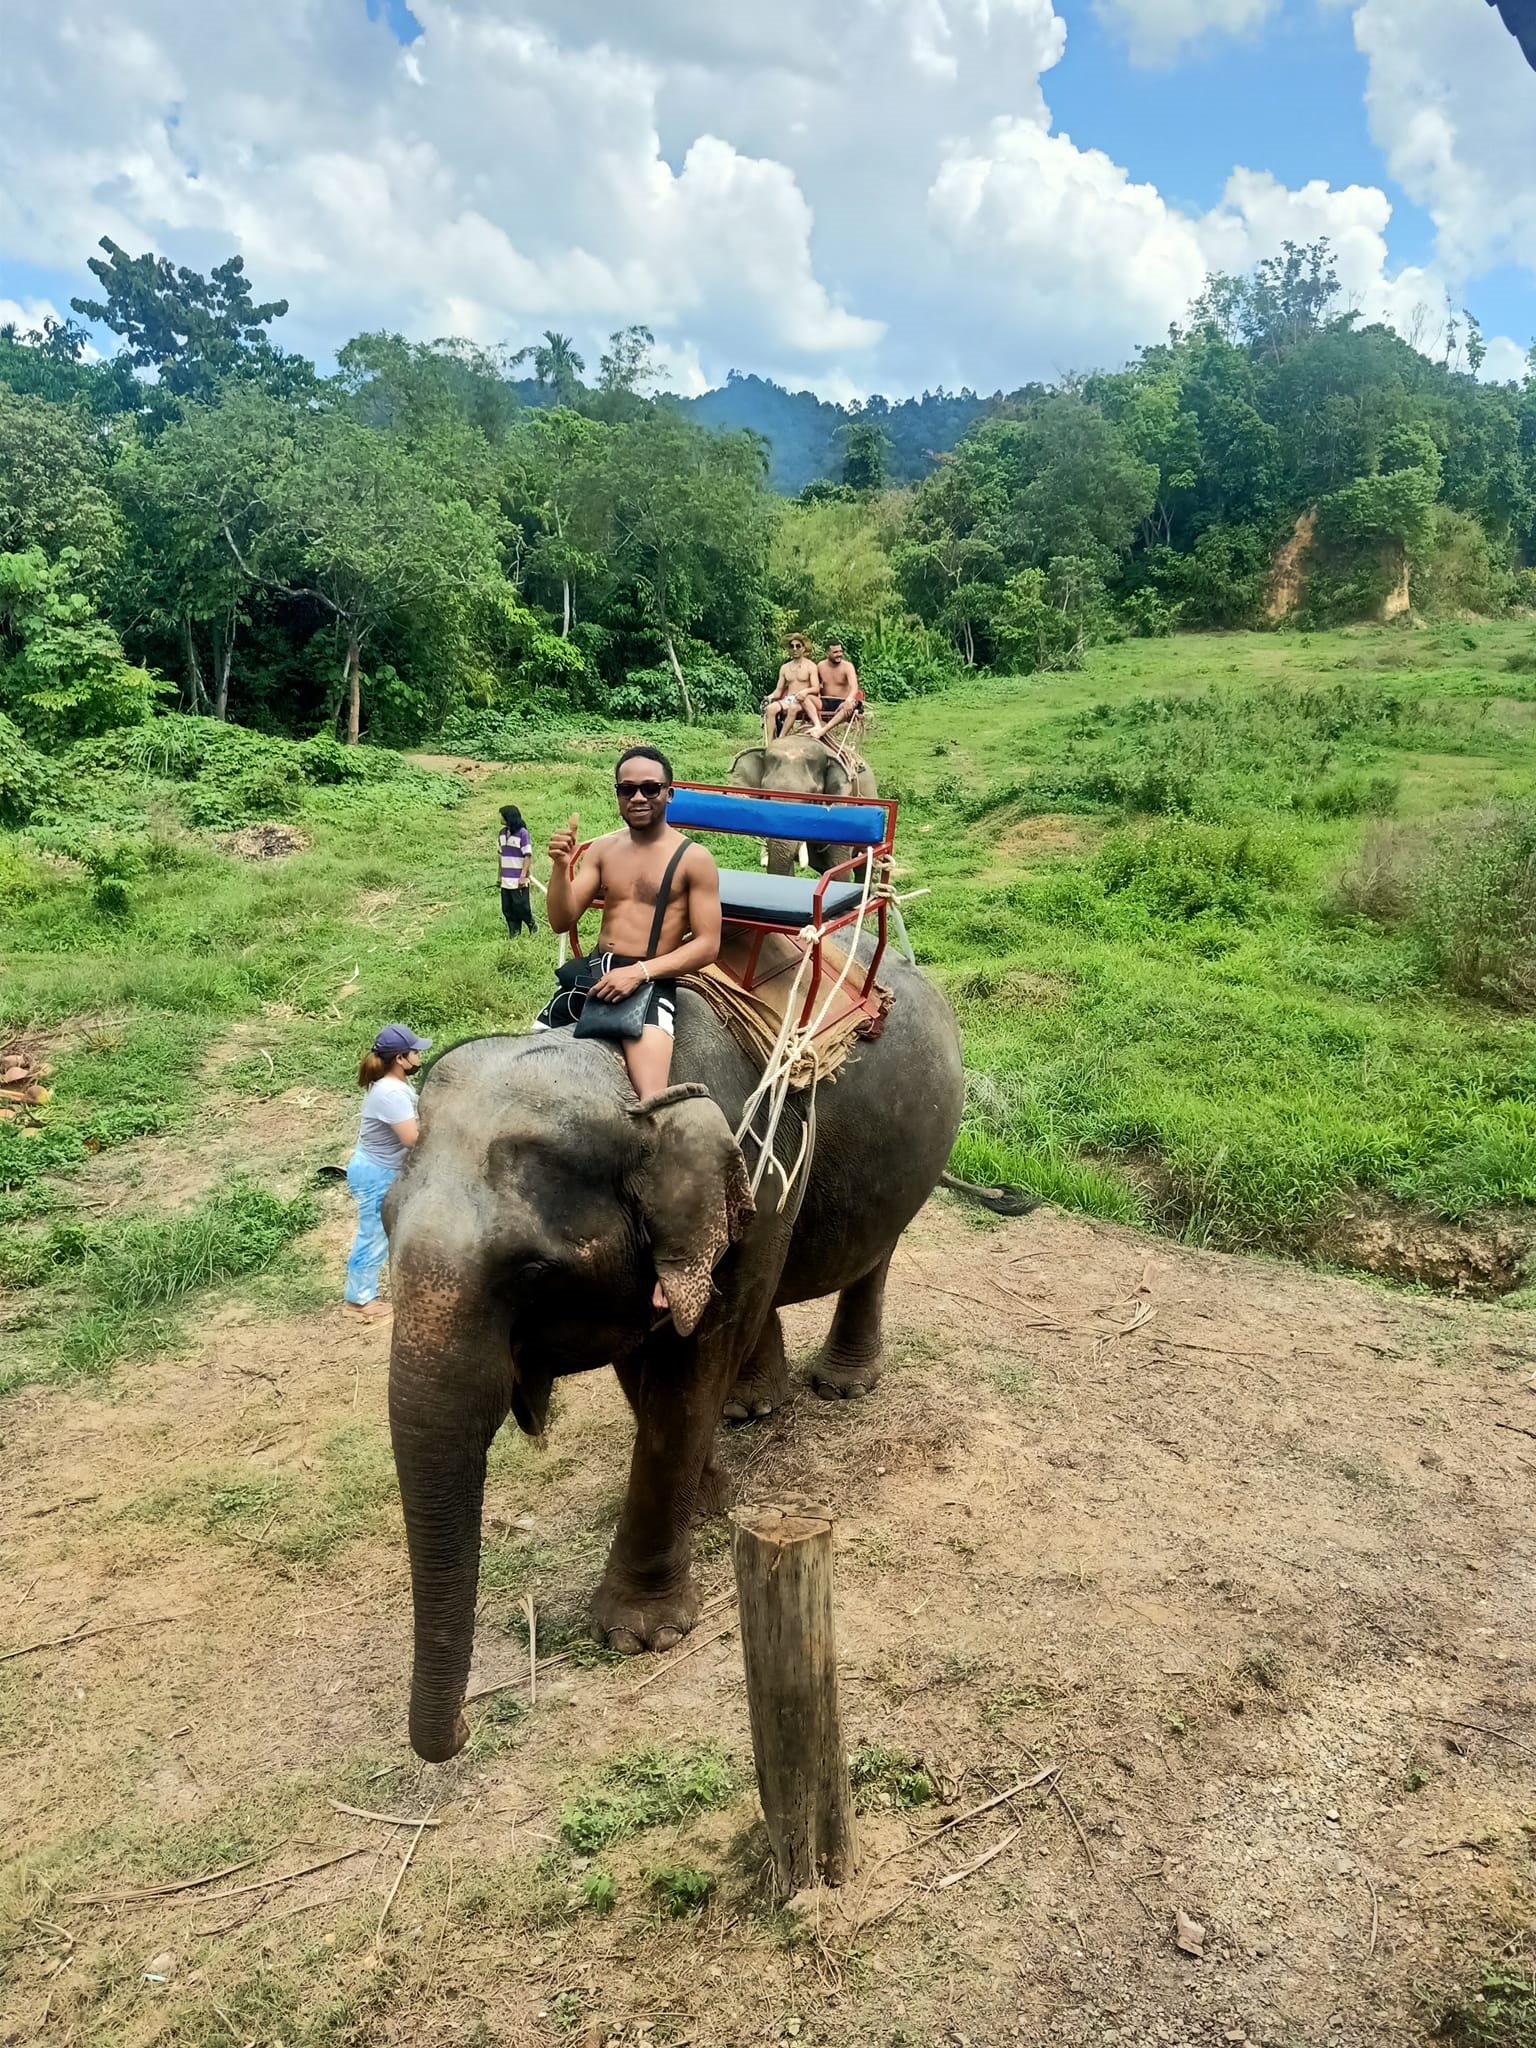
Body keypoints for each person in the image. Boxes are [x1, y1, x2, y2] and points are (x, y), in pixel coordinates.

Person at [537, 745, 722, 1107]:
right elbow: (561, 920)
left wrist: (638, 973)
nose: (638, 797)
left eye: (650, 788)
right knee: (521, 1069)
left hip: (648, 981)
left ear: (669, 793)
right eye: (627, 789)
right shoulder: (603, 850)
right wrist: (561, 867)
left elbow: (707, 945)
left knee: (650, 1102)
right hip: (594, 975)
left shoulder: (694, 859)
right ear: (618, 795)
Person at [343, 1023, 430, 1321]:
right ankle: (358, 1301)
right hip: (376, 1173)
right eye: (415, 1052)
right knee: (374, 1233)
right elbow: (411, 1139)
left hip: (381, 1168)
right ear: (400, 1059)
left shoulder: (393, 1086)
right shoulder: (391, 1093)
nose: (419, 1056)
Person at [763, 633, 820, 743]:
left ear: (803, 648)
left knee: (793, 708)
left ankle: (781, 739)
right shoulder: (784, 668)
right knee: (770, 709)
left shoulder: (811, 666)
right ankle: (769, 742)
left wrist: (805, 691)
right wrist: (769, 697)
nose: (794, 649)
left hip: (803, 701)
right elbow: (778, 691)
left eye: (798, 646)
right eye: (792, 646)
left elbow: (816, 688)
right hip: (789, 699)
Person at [808, 641, 863, 740]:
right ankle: (817, 725)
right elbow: (815, 686)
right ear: (827, 653)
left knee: (849, 705)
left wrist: (848, 700)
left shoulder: (848, 666)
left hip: (843, 701)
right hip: (826, 701)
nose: (839, 654)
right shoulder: (820, 666)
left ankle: (823, 730)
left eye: (840, 651)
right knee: (806, 698)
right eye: (835, 652)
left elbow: (854, 687)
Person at [498, 803, 536, 937]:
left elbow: (527, 855)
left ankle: (532, 926)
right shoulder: (501, 834)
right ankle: (514, 933)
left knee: (521, 907)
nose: (500, 817)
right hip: (505, 879)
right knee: (507, 908)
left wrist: (523, 876)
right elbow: (500, 856)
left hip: (518, 878)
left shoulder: (522, 834)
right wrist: (499, 876)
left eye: (502, 815)